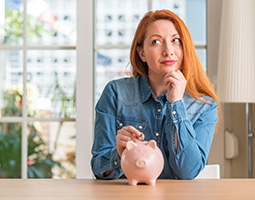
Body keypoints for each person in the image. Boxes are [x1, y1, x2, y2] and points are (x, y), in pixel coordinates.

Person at [90, 9, 220, 180]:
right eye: (156, 42)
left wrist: (176, 104)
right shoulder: (116, 93)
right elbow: (99, 168)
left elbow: (188, 172)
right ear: (141, 53)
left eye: (176, 40)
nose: (168, 51)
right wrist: (119, 155)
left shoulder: (204, 106)